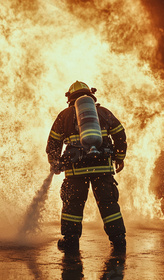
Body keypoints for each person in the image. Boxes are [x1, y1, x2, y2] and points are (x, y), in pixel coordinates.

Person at [46, 81, 127, 252]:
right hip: (102, 169)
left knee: (72, 206)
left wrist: (54, 162)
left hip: (76, 172)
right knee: (109, 205)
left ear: (70, 97)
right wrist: (119, 157)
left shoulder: (65, 115)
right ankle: (118, 240)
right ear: (90, 95)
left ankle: (71, 240)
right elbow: (120, 134)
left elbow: (53, 142)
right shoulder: (104, 113)